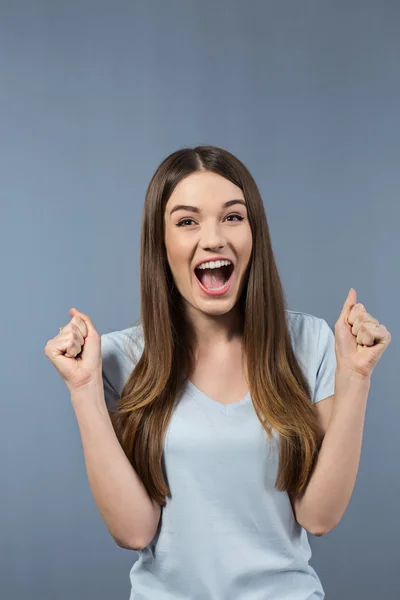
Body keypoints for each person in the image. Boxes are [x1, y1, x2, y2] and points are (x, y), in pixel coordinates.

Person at [47, 145, 376, 599]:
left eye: (232, 217)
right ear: (161, 244)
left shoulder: (311, 342)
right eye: (187, 221)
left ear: (254, 233)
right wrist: (83, 390)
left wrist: (356, 375)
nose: (214, 238)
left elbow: (319, 517)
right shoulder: (120, 359)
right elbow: (134, 531)